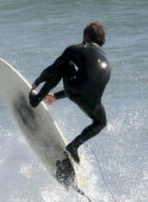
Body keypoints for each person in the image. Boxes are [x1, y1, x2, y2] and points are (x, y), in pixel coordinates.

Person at [29, 22, 111, 164]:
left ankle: (36, 99)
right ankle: (75, 145)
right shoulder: (105, 58)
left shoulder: (76, 49)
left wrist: (38, 81)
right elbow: (87, 86)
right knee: (100, 122)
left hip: (74, 89)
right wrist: (57, 96)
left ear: (85, 36)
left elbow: (54, 68)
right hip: (93, 101)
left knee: (64, 66)